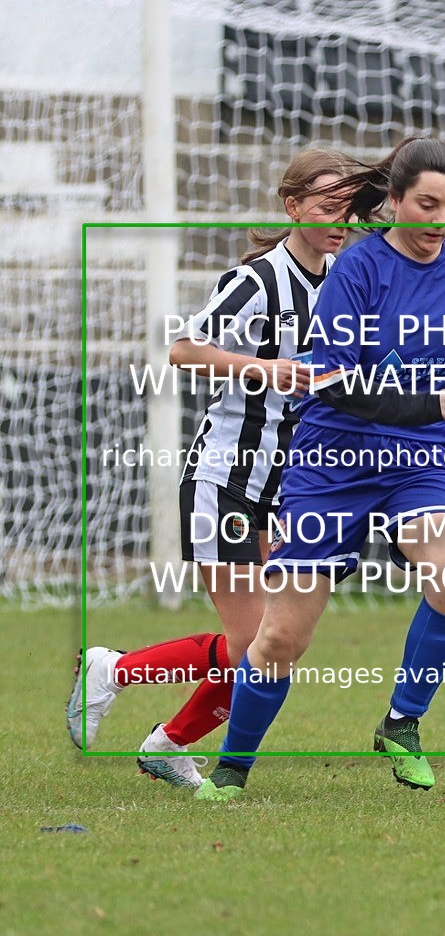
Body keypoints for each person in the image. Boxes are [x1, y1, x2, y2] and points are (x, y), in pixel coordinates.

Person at [196, 137, 445, 801]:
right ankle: (232, 770)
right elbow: (334, 384)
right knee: (280, 638)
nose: (441, 219)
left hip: (423, 457)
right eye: (427, 204)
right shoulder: (356, 269)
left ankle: (402, 722)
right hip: (335, 459)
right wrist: (433, 400)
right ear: (396, 201)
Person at [66, 147, 359, 787]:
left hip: (291, 490)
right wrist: (264, 368)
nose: (340, 220)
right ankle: (120, 681)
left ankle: (157, 729)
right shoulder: (258, 281)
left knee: (274, 645)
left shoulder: (345, 281)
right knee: (254, 644)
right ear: (293, 206)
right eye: (326, 206)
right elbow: (181, 349)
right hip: (225, 479)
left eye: (348, 208)